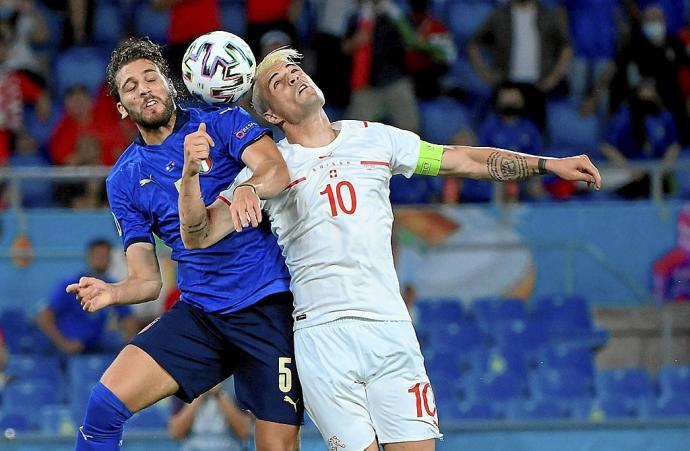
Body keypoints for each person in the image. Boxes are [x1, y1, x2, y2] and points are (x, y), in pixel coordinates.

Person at [178, 48, 602, 450]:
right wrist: (192, 178)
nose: (295, 78)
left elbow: (463, 160)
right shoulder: (271, 169)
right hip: (323, 338)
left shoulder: (375, 138)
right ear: (270, 114)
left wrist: (549, 165)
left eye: (296, 71)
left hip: (390, 327)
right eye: (279, 82)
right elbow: (198, 234)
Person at [66, 38, 302, 451]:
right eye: (130, 86)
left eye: (150, 77)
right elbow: (147, 282)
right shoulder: (123, 179)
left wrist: (244, 189)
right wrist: (112, 292)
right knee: (101, 410)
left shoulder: (222, 119)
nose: (144, 89)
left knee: (277, 448)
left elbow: (275, 169)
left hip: (266, 308)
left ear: (170, 84)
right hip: (201, 313)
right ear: (122, 107)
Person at [467, 0, 572, 128]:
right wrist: (485, 74)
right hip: (507, 85)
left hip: (537, 86)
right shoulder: (500, 15)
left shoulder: (546, 14)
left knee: (536, 135)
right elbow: (474, 44)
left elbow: (566, 47)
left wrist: (554, 77)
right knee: (502, 135)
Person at [36, 240, 138, 355]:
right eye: (98, 255)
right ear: (89, 257)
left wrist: (129, 348)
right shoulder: (70, 285)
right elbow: (45, 316)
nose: (102, 260)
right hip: (68, 351)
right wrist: (64, 343)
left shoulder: (111, 286)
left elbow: (128, 318)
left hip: (97, 347)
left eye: (106, 256)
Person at [601, 79, 679, 199]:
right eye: (644, 90)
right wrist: (629, 168)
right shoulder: (625, 115)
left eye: (651, 90)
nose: (648, 94)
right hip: (629, 170)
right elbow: (606, 147)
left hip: (657, 170)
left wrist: (662, 169)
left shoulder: (665, 116)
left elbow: (674, 146)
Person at [168, 382, 252, 451]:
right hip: (193, 446)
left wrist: (219, 394)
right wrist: (199, 395)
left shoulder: (236, 384)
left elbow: (244, 432)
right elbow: (176, 433)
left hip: (229, 446)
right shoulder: (183, 384)